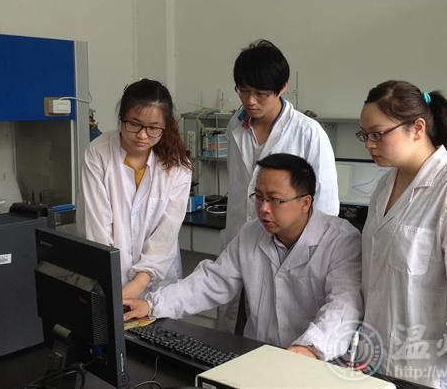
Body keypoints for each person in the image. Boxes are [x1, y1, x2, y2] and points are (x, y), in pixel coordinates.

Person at [124, 153, 362, 360]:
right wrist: (152, 305)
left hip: (315, 361)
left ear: (305, 203)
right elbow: (211, 281)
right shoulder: (252, 233)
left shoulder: (340, 240)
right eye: (259, 197)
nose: (264, 208)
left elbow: (344, 304)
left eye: (275, 200)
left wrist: (309, 348)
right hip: (259, 356)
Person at [357, 80, 447, 389]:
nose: (369, 144)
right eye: (365, 135)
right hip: (376, 361)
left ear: (418, 128)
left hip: (430, 371)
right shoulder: (384, 187)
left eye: (378, 134)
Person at [220, 39, 340, 332]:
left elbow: (325, 205)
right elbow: (239, 190)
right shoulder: (235, 127)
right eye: (243, 91)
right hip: (241, 244)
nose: (250, 101)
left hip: (290, 256)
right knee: (237, 334)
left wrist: (304, 257)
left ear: (283, 87)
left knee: (282, 334)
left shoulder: (309, 133)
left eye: (261, 93)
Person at [77, 78, 192, 300]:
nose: (142, 135)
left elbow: (165, 234)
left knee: (158, 322)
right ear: (121, 118)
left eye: (153, 128)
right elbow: (98, 229)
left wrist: (138, 284)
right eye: (134, 124)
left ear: (165, 126)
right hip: (106, 278)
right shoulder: (98, 153)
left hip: (156, 284)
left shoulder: (178, 167)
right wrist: (115, 291)